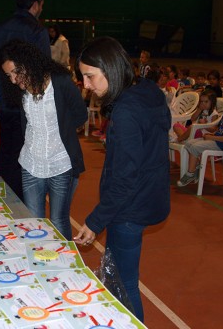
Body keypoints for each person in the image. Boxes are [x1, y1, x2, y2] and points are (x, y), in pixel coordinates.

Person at [73, 37, 171, 322]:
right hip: (148, 196)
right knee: (117, 276)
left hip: (130, 206)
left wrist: (95, 220)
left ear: (110, 69)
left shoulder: (126, 111)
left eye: (90, 76)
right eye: (82, 77)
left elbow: (125, 177)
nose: (86, 85)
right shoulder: (146, 89)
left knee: (123, 283)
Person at [0, 39, 87, 240]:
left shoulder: (61, 82)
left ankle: (65, 264)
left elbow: (80, 115)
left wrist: (61, 131)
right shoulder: (20, 92)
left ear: (28, 63)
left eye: (15, 72)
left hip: (60, 164)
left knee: (58, 220)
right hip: (31, 163)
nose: (13, 79)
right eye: (8, 75)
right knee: (33, 221)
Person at [0, 0, 51, 200]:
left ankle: (4, 195)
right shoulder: (37, 31)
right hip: (28, 104)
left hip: (4, 104)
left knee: (6, 149)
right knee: (29, 151)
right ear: (35, 5)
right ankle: (24, 201)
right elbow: (43, 68)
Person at [177, 91, 223, 187]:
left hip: (221, 145)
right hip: (215, 140)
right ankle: (196, 168)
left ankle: (190, 174)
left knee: (195, 147)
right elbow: (220, 131)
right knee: (189, 143)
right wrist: (211, 135)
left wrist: (211, 137)